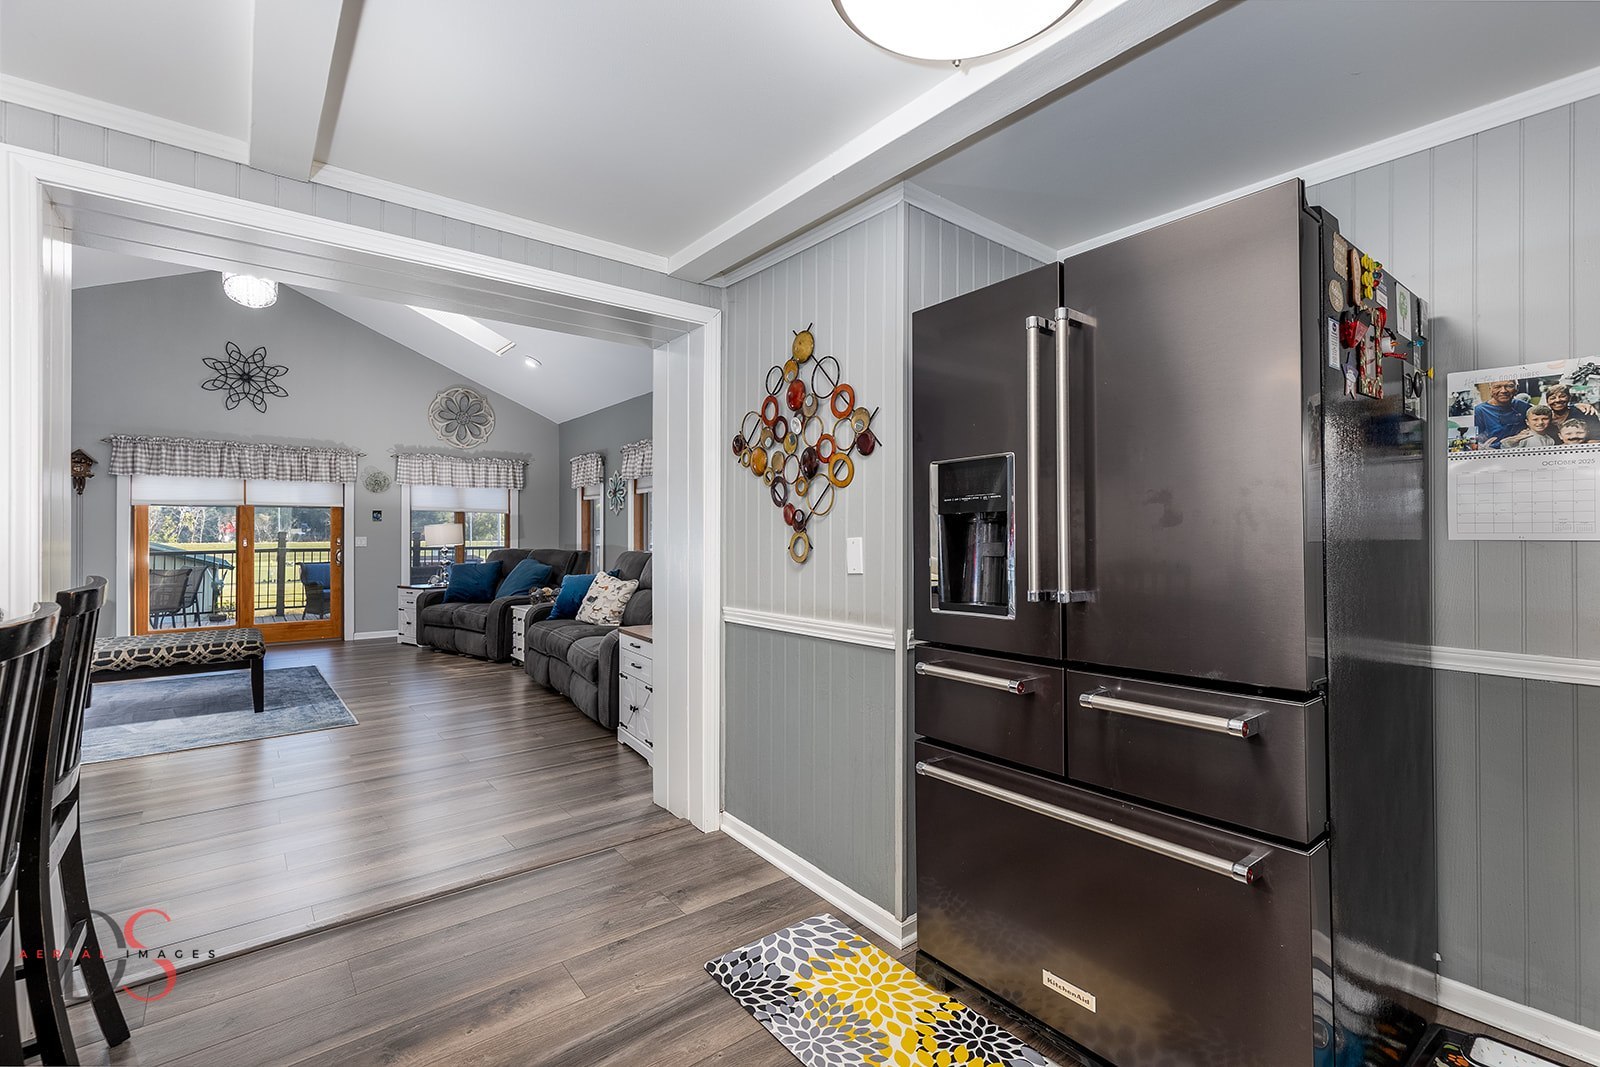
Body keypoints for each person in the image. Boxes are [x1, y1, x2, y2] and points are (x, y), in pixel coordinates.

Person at [1471, 379, 1529, 447]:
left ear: (1517, 388)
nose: (1503, 391)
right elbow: (1475, 445)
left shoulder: (1524, 407)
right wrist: (1502, 444)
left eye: (1509, 386)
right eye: (1497, 387)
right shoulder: (1479, 411)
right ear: (1490, 390)